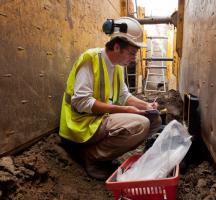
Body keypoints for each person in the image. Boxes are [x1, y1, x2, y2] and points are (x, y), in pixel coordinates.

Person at [59, 17, 161, 180]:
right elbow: (81, 102)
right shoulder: (91, 59)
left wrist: (146, 105)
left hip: (99, 120)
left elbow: (123, 96)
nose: (133, 58)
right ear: (116, 46)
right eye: (131, 53)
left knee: (154, 118)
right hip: (81, 124)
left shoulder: (117, 67)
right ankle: (90, 156)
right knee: (141, 125)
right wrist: (124, 110)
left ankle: (135, 160)